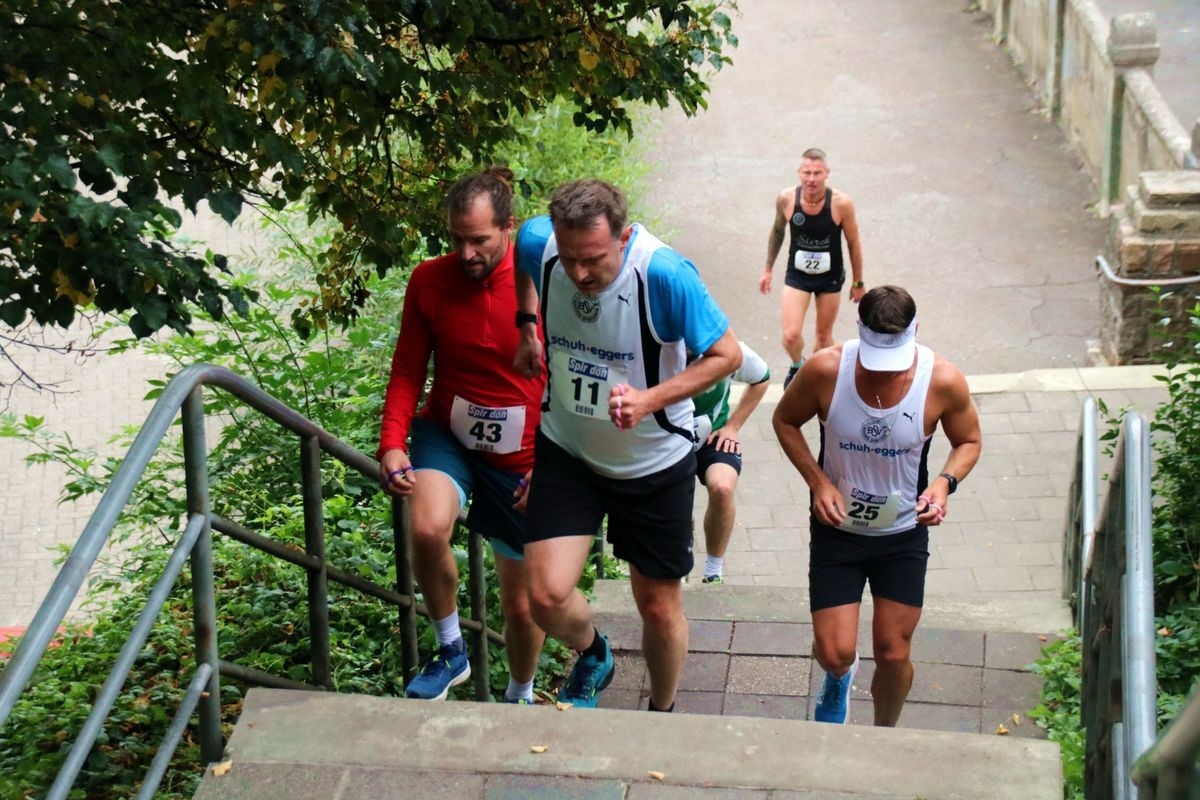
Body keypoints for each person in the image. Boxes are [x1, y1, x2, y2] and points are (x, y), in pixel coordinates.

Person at [512, 179, 741, 712]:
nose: (579, 274)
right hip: (568, 449)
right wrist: (528, 325)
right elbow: (526, 268)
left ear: (624, 235)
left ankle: (661, 713)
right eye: (569, 259)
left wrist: (648, 399)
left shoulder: (664, 274)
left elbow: (726, 356)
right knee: (544, 597)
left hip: (653, 461)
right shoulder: (536, 241)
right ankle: (594, 653)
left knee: (658, 608)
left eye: (592, 259)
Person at [771, 285, 981, 727]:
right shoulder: (825, 370)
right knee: (834, 652)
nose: (885, 373)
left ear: (916, 331)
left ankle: (885, 734)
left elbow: (969, 441)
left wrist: (944, 484)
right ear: (859, 332)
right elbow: (785, 420)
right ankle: (839, 677)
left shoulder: (941, 380)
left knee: (893, 652)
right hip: (837, 531)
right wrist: (818, 482)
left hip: (901, 534)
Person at [378, 167, 546, 704]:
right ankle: (451, 650)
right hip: (447, 434)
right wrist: (392, 442)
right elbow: (408, 368)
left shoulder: (548, 280)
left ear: (510, 228)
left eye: (479, 241)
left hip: (523, 456)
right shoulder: (429, 280)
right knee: (427, 529)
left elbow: (570, 380)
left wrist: (553, 466)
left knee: (523, 606)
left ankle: (520, 694)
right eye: (456, 239)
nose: (467, 253)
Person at [758, 148, 865, 389]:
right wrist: (767, 269)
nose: (812, 179)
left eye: (817, 173)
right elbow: (777, 231)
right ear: (799, 173)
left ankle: (819, 379)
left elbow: (853, 242)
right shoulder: (787, 199)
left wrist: (858, 282)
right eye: (807, 172)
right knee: (790, 336)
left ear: (827, 173)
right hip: (798, 276)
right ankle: (798, 365)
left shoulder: (841, 204)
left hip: (830, 278)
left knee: (823, 338)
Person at [691, 341, 771, 584]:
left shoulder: (725, 346)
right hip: (663, 440)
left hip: (711, 435)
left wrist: (732, 427)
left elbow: (762, 377)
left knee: (723, 488)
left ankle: (713, 571)